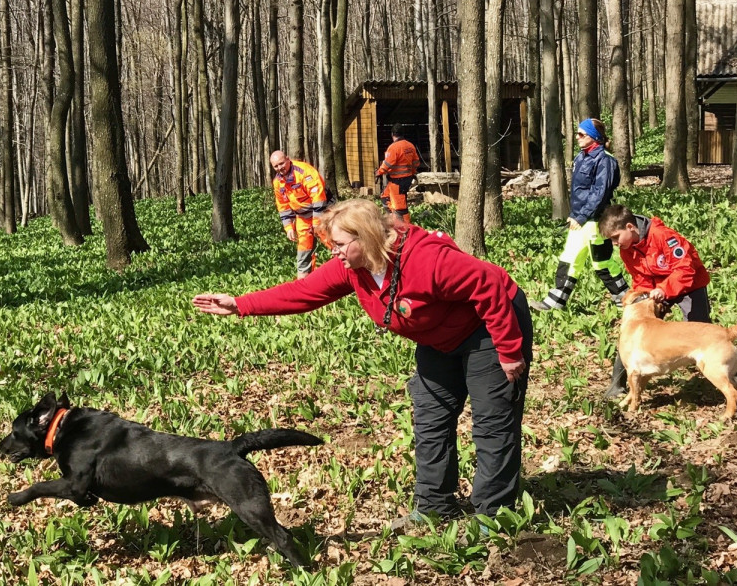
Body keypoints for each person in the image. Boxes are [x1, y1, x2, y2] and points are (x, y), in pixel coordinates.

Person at [193, 199, 534, 525]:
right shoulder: (355, 268)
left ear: (366, 238)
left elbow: (489, 286)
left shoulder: (427, 259)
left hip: (489, 327)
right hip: (438, 338)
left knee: (492, 422)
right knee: (430, 419)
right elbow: (304, 292)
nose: (334, 251)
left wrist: (508, 350)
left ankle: (494, 515)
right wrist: (240, 304)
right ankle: (434, 506)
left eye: (340, 244)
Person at [598, 204, 712, 396]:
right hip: (654, 291)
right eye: (611, 240)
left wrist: (664, 289)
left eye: (616, 237)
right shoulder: (627, 249)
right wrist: (643, 299)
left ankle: (727, 372)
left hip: (689, 285)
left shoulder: (663, 236)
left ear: (630, 227)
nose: (615, 243)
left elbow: (685, 269)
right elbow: (640, 277)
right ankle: (616, 386)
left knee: (700, 329)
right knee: (632, 332)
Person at [529, 119, 629, 312]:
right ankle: (556, 301)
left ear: (594, 137)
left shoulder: (605, 160)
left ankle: (626, 300)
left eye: (582, 134)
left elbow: (600, 193)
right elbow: (581, 192)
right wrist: (575, 215)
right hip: (581, 220)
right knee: (569, 259)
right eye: (577, 133)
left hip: (597, 220)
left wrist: (581, 216)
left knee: (602, 263)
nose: (577, 137)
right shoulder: (581, 157)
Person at [270, 150, 330, 279]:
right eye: (276, 166)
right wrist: (288, 227)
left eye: (281, 163)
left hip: (323, 212)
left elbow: (318, 197)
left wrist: (316, 223)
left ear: (287, 159)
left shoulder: (304, 172)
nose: (280, 168)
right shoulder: (277, 182)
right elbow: (283, 206)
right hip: (302, 216)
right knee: (304, 248)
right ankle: (304, 281)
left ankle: (351, 268)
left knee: (332, 240)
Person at [376, 124, 420, 224]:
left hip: (398, 181)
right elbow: (416, 162)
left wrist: (379, 172)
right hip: (405, 179)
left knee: (400, 207)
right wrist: (412, 172)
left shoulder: (393, 148)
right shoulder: (410, 146)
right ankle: (394, 220)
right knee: (385, 197)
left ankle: (406, 227)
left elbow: (388, 164)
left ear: (392, 134)